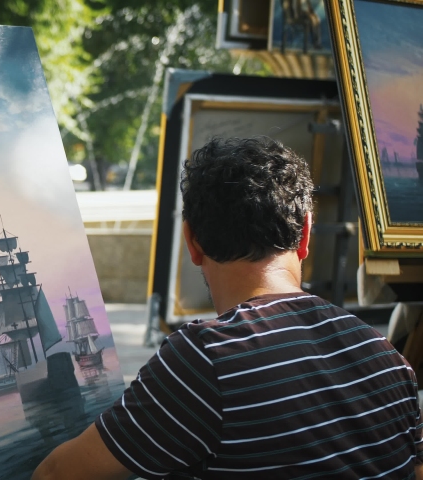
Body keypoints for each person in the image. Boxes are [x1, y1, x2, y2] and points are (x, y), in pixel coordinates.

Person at [33, 137, 423, 479]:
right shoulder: (387, 357)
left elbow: (58, 475)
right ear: (305, 233)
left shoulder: (205, 361)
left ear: (191, 241)